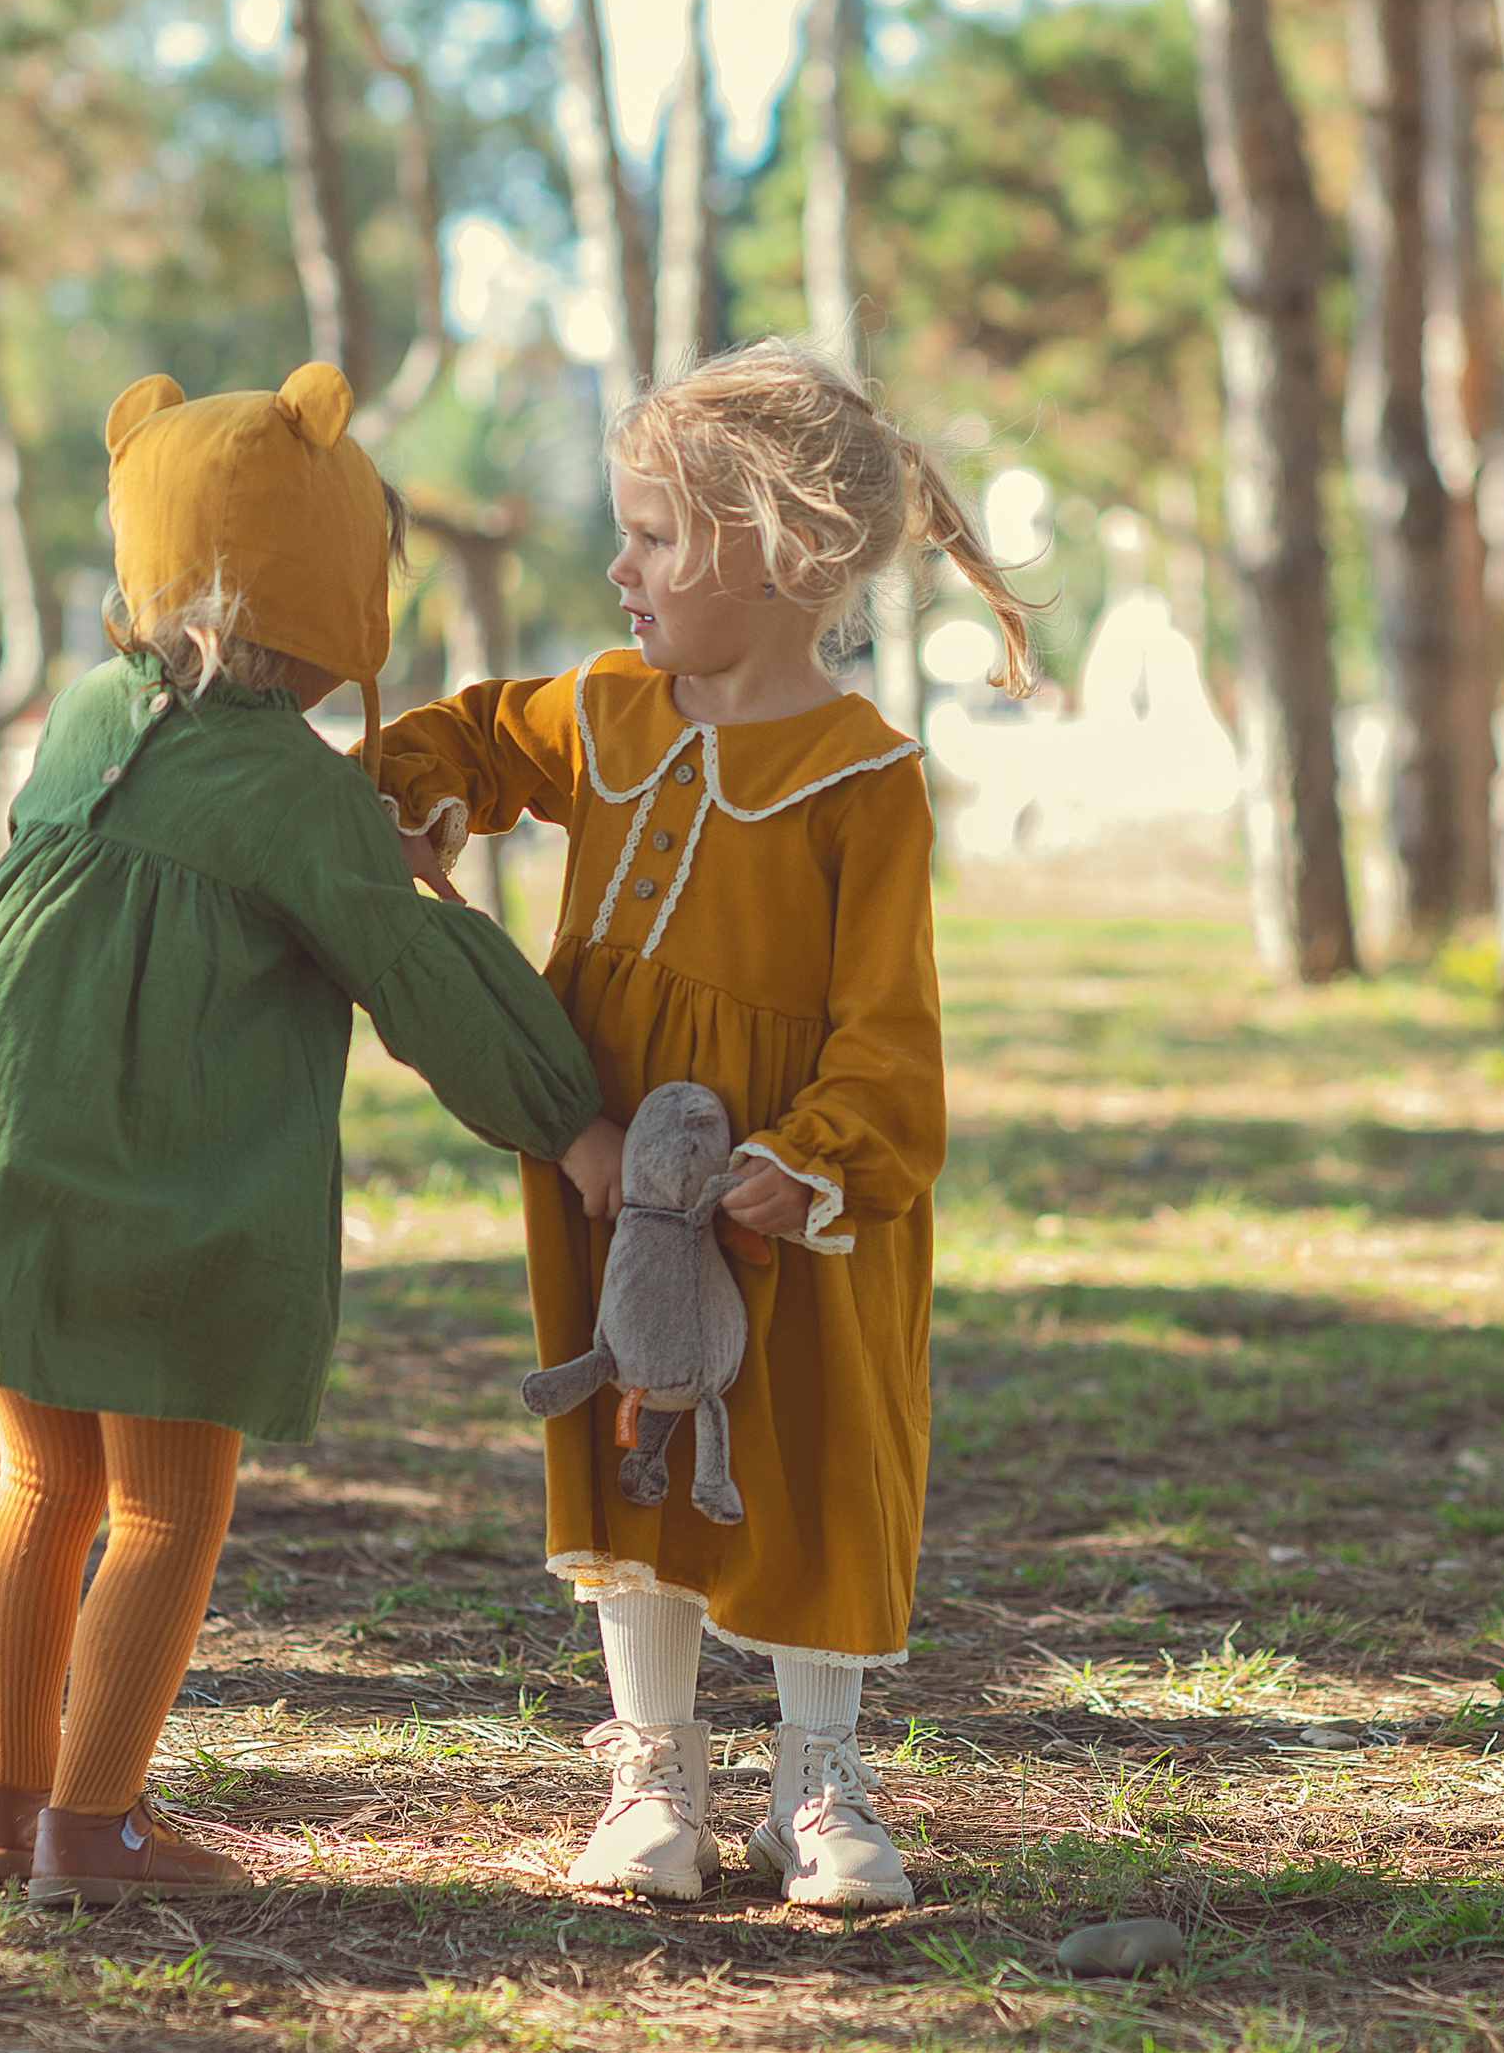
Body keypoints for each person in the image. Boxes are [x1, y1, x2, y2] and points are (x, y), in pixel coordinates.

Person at [0, 362, 616, 1911]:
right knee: (165, 1503)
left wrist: (357, 828)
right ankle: (97, 1830)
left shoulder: (92, 712)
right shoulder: (298, 794)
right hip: (147, 1158)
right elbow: (420, 979)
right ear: (335, 591)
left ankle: (2, 1818)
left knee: (42, 1483)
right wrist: (571, 1121)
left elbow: (174, 840)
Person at [377, 338, 1032, 1911]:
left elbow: (890, 1024)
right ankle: (652, 1774)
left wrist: (812, 1158)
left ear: (782, 552)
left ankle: (820, 1783)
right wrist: (403, 797)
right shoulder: (605, 712)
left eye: (656, 537)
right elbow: (465, 738)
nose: (621, 569)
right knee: (637, 1434)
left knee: (811, 1444)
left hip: (780, 1186)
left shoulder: (864, 775)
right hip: (614, 1156)